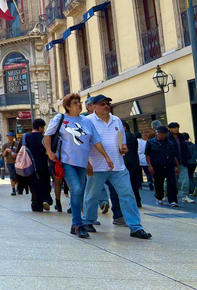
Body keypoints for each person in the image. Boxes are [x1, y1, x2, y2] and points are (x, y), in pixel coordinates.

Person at [44, 93, 114, 239]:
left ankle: (75, 225)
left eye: (79, 102)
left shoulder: (87, 122)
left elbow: (95, 141)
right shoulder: (60, 118)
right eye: (75, 103)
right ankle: (77, 223)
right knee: (76, 189)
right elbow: (48, 135)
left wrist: (106, 157)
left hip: (82, 163)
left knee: (80, 191)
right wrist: (49, 151)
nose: (78, 104)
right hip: (65, 161)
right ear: (67, 106)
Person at [81, 95, 152, 239]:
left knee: (127, 194)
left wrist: (123, 148)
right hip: (97, 166)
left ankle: (135, 227)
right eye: (102, 104)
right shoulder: (87, 121)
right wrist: (87, 163)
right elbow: (83, 144)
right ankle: (88, 221)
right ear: (93, 106)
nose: (106, 106)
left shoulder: (117, 120)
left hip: (118, 165)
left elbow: (121, 141)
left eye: (107, 104)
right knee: (92, 195)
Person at [146, 126, 180, 207]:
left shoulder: (170, 142)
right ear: (157, 133)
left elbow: (174, 155)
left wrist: (177, 166)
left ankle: (173, 200)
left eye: (163, 133)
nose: (161, 135)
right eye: (160, 133)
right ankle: (159, 197)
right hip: (157, 166)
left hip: (169, 165)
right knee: (158, 183)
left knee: (172, 183)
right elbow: (147, 155)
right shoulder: (151, 142)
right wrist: (150, 166)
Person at [22, 119, 51, 212]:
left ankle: (36, 204)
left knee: (33, 185)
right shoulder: (44, 138)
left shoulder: (25, 137)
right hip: (43, 165)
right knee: (45, 183)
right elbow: (48, 151)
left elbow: (20, 150)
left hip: (29, 166)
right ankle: (46, 199)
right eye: (43, 127)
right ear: (40, 127)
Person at [167, 123, 194, 203]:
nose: (177, 129)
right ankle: (164, 194)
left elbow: (184, 148)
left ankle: (185, 195)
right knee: (169, 181)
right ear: (170, 129)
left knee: (185, 180)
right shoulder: (167, 138)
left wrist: (186, 157)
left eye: (177, 128)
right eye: (174, 128)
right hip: (171, 162)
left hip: (182, 161)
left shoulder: (181, 137)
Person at [123, 123, 142, 208]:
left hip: (127, 162)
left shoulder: (123, 136)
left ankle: (132, 201)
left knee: (128, 183)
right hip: (135, 161)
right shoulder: (133, 136)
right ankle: (137, 201)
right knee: (134, 182)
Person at [1, 132, 18, 196]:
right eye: (8, 136)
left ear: (13, 137)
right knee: (12, 175)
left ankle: (18, 188)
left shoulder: (17, 144)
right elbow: (3, 154)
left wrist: (16, 155)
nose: (9, 138)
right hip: (9, 162)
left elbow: (21, 152)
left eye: (10, 136)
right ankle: (13, 189)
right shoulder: (5, 145)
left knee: (17, 175)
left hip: (17, 162)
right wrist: (6, 150)